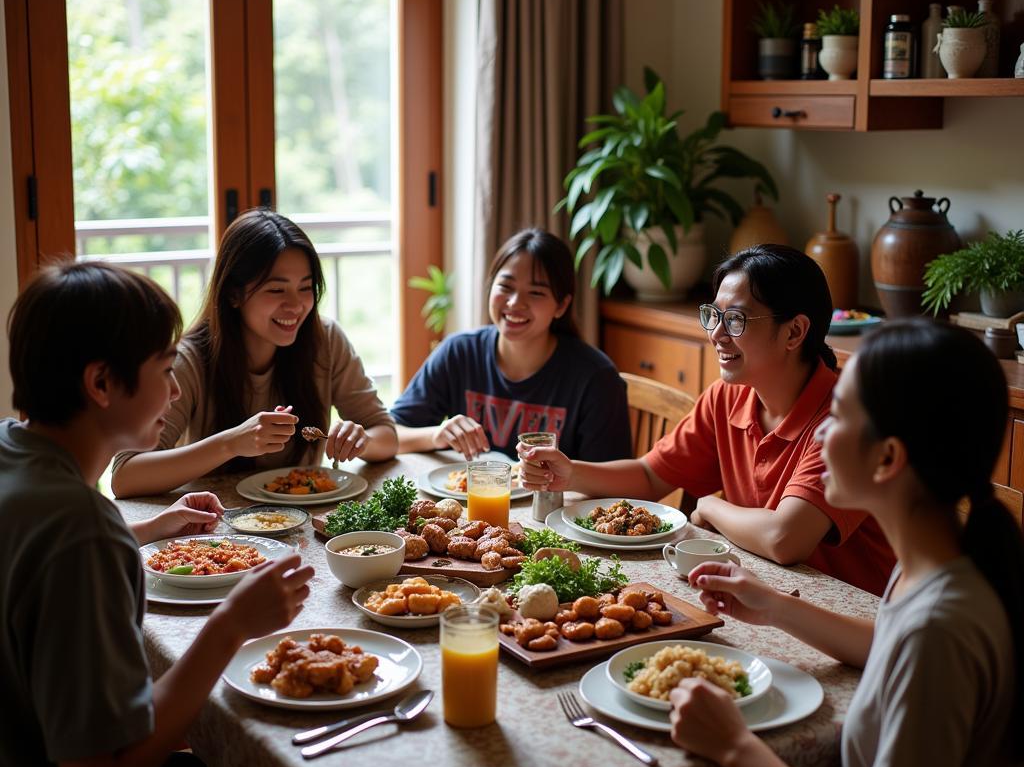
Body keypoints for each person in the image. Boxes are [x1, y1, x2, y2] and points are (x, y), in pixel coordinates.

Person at [671, 320, 1024, 767]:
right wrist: (774, 605)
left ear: (887, 458)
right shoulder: (934, 564)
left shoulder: (943, 626)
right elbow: (886, 644)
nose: (818, 437)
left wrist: (735, 745)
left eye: (838, 417)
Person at [1, 261, 313, 767]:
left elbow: (39, 558)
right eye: (166, 372)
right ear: (100, 383)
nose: (175, 394)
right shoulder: (80, 529)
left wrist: (143, 531)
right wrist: (231, 626)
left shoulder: (15, 455)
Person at [519, 244, 895, 595]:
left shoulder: (842, 418)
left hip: (848, 610)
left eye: (735, 319)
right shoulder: (728, 395)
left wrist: (709, 506)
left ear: (794, 332)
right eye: (713, 315)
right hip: (766, 590)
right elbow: (651, 477)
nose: (716, 334)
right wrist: (570, 473)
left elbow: (784, 539)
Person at [111, 210, 397, 497]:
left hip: (306, 523)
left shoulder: (325, 340)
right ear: (234, 294)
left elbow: (386, 436)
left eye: (306, 288)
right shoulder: (190, 360)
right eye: (276, 290)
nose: (296, 306)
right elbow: (125, 477)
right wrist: (230, 443)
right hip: (214, 531)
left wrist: (362, 441)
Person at [391, 228, 631, 461]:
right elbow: (391, 434)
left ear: (561, 306)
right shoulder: (459, 352)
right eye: (505, 287)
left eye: (536, 292)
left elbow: (614, 484)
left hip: (555, 503)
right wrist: (436, 435)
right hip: (471, 499)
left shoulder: (595, 378)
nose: (515, 303)